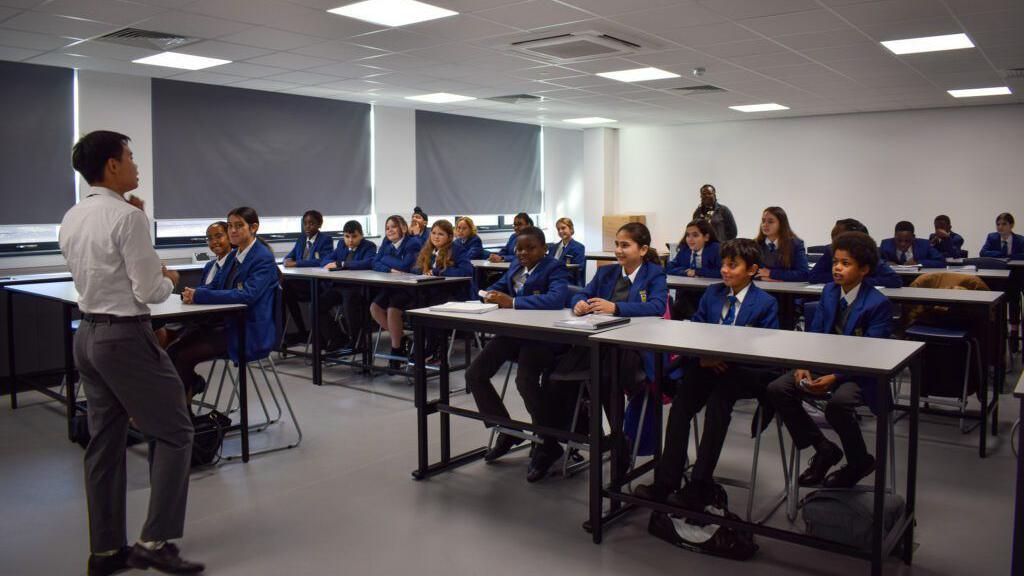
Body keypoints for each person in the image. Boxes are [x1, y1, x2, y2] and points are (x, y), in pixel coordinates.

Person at [61, 130, 203, 574]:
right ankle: (155, 541)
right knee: (176, 432)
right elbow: (150, 289)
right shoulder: (127, 219)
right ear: (112, 166)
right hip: (125, 336)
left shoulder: (73, 216)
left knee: (104, 443)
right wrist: (173, 278)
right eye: (130, 156)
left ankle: (105, 551)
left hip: (87, 335)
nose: (136, 164)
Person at [634, 239, 779, 506]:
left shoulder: (766, 303)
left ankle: (699, 484)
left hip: (741, 372)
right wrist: (703, 358)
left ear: (752, 269)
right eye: (723, 264)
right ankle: (666, 482)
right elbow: (696, 330)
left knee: (717, 407)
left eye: (732, 265)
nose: (724, 270)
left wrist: (722, 357)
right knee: (679, 408)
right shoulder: (713, 293)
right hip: (705, 367)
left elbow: (763, 354)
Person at [768, 232, 894, 488]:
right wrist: (804, 364)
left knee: (838, 404)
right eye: (836, 261)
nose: (837, 267)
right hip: (824, 364)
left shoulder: (878, 303)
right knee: (778, 388)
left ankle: (859, 461)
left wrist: (836, 377)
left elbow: (871, 353)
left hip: (860, 374)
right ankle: (824, 448)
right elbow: (814, 335)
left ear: (864, 269)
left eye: (845, 263)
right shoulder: (829, 291)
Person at [550, 223, 668, 478]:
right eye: (617, 245)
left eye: (625, 245)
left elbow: (658, 307)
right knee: (569, 371)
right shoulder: (606, 273)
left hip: (634, 349)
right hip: (601, 342)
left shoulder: (654, 274)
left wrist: (616, 308)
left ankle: (617, 439)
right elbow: (581, 293)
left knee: (604, 374)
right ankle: (604, 437)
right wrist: (579, 304)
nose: (618, 250)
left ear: (643, 249)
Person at [467, 226, 571, 481]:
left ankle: (548, 442)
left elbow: (556, 300)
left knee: (524, 380)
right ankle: (508, 429)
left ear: (544, 249)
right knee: (475, 373)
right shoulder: (515, 266)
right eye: (519, 248)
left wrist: (512, 302)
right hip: (514, 334)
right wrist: (489, 296)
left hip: (542, 339)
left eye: (530, 248)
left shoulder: (554, 268)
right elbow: (499, 288)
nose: (523, 253)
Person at [175, 207, 280, 399]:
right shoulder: (233, 255)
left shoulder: (262, 258)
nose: (232, 230)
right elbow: (215, 285)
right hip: (225, 325)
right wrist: (194, 293)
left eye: (239, 226)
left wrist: (200, 296)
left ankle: (184, 417)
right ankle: (184, 403)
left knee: (182, 356)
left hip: (246, 332)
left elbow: (247, 295)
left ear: (253, 227)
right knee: (172, 351)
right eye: (230, 225)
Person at [411, 220, 474, 362]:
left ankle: (433, 348)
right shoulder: (428, 249)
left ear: (449, 237)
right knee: (417, 303)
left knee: (432, 305)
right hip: (433, 292)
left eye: (441, 234)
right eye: (433, 233)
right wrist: (423, 270)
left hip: (456, 294)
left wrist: (438, 271)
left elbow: (466, 270)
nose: (436, 237)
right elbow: (414, 268)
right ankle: (424, 345)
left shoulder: (456, 249)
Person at [369, 215, 423, 367]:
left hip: (409, 288)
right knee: (375, 308)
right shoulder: (386, 242)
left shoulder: (413, 243)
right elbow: (374, 262)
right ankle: (401, 337)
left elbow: (405, 266)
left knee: (393, 311)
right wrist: (389, 268)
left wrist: (384, 258)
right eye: (387, 228)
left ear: (403, 228)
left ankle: (396, 349)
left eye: (393, 226)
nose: (389, 230)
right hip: (392, 286)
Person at [319, 220, 378, 351]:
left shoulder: (369, 246)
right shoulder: (341, 245)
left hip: (357, 288)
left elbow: (368, 263)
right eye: (347, 236)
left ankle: (356, 340)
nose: (350, 240)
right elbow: (325, 260)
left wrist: (342, 264)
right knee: (317, 305)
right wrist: (333, 263)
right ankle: (337, 337)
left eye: (354, 236)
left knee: (349, 301)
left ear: (361, 235)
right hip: (339, 287)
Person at [282, 210, 333, 346]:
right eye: (305, 223)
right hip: (300, 282)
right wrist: (286, 259)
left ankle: (315, 335)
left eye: (311, 223)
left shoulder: (325, 240)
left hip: (316, 284)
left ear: (319, 224)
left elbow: (322, 261)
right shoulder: (301, 239)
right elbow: (290, 255)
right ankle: (300, 331)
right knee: (283, 291)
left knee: (286, 286)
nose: (308, 227)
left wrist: (297, 263)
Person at [808, 219, 902, 288]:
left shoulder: (866, 253)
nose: (835, 243)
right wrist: (842, 278)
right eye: (834, 239)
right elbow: (813, 276)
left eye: (839, 239)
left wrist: (857, 281)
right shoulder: (831, 251)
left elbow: (894, 280)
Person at [666, 220, 721, 319]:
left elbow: (720, 272)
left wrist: (698, 272)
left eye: (695, 235)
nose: (690, 239)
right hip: (686, 295)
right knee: (676, 307)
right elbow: (669, 267)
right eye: (688, 235)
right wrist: (685, 272)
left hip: (707, 294)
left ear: (706, 237)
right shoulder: (685, 249)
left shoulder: (715, 249)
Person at [755, 206, 809, 282]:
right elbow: (747, 272)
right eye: (763, 221)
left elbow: (804, 274)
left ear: (781, 224)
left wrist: (771, 273)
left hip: (786, 290)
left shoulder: (795, 244)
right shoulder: (755, 244)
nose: (765, 225)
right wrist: (762, 278)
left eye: (770, 221)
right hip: (761, 287)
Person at [879, 221, 945, 268]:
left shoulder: (924, 245)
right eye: (899, 240)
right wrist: (885, 263)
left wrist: (918, 262)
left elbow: (941, 262)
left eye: (907, 241)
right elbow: (875, 261)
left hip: (917, 278)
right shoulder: (886, 245)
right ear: (894, 236)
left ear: (913, 237)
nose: (903, 244)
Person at [547, 217, 586, 286]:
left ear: (571, 229)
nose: (560, 231)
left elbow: (578, 270)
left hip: (568, 283)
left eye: (563, 228)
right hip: (551, 281)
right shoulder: (553, 247)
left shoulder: (578, 247)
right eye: (558, 229)